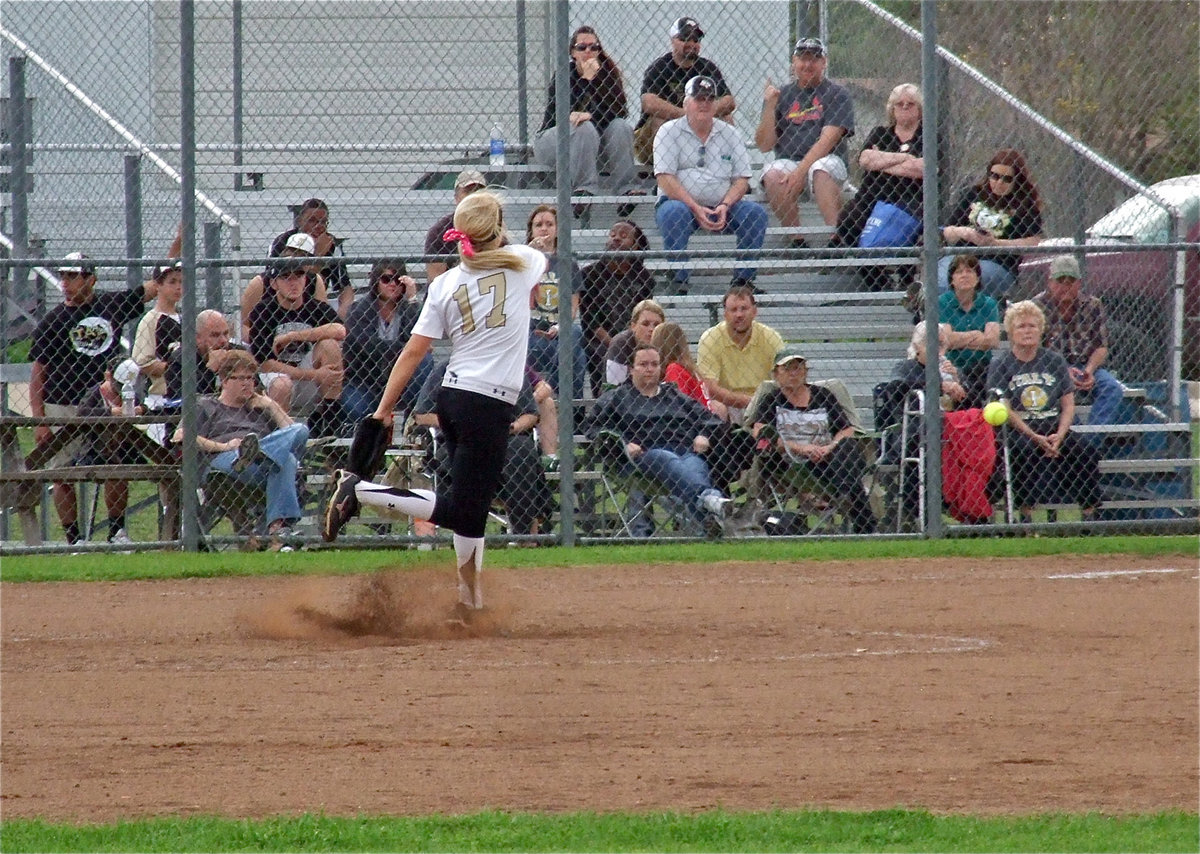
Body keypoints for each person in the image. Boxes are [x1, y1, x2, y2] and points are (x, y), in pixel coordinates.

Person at [322, 191, 548, 619]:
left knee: (471, 510)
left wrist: (383, 409)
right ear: (497, 230)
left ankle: (470, 602)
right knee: (464, 510)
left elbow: (411, 353)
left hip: (453, 398)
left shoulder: (445, 283)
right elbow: (519, 253)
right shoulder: (523, 262)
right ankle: (361, 490)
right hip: (489, 404)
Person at [28, 252, 159, 546]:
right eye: (63, 276)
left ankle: (115, 531)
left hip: (105, 405)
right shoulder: (53, 321)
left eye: (73, 276)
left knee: (115, 466)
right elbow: (38, 372)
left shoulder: (109, 305)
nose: (66, 283)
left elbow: (154, 286)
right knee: (62, 474)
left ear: (91, 279)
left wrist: (177, 247)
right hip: (62, 404)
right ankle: (75, 540)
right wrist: (40, 419)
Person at [586, 343, 730, 536]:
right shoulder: (617, 397)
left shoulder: (674, 396)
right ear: (631, 369)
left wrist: (703, 435)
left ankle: (708, 523)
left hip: (684, 452)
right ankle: (712, 503)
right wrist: (622, 444)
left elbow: (710, 420)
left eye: (654, 364)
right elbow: (593, 428)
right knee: (664, 457)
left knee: (696, 465)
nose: (649, 369)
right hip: (641, 459)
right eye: (643, 364)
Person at [177, 349, 310, 549]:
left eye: (250, 378)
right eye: (240, 378)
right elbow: (180, 435)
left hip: (259, 468)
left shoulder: (258, 409)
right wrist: (224, 446)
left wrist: (272, 405)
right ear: (224, 380)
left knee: (299, 431)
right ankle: (279, 532)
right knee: (287, 460)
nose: (247, 383)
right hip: (223, 463)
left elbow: (297, 436)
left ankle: (258, 453)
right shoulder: (206, 405)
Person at [985, 300, 1102, 523]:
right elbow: (1006, 409)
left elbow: (1068, 404)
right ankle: (1025, 515)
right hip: (1019, 430)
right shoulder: (1001, 365)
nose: (1027, 331)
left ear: (1041, 330)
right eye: (1021, 326)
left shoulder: (1054, 361)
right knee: (1022, 451)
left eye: (1032, 326)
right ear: (1010, 332)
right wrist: (1033, 436)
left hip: (1052, 427)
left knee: (1085, 450)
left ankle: (1090, 515)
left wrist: (1060, 434)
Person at [414, 362, 554, 541]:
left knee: (522, 451)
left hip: (505, 435)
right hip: (459, 434)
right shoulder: (447, 368)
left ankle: (524, 536)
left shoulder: (510, 367)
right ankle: (458, 534)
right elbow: (422, 414)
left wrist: (513, 426)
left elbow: (531, 414)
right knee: (455, 454)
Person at [654, 75, 768, 295]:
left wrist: (725, 205)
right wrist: (695, 207)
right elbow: (665, 179)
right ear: (686, 103)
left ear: (716, 104)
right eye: (698, 98)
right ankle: (679, 280)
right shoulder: (669, 131)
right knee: (673, 213)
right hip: (680, 204)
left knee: (756, 214)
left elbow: (742, 179)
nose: (704, 103)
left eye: (709, 98)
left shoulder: (730, 133)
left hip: (723, 206)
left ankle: (743, 283)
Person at [749, 346, 878, 534]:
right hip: (793, 465)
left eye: (799, 368)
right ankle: (864, 523)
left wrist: (829, 448)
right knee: (850, 477)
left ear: (806, 372)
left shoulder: (823, 395)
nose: (794, 373)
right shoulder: (771, 400)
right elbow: (761, 433)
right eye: (788, 368)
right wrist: (803, 449)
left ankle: (845, 495)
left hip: (829, 461)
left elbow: (847, 429)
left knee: (848, 446)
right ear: (776, 374)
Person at [755, 37, 855, 240]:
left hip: (828, 162)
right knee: (773, 173)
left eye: (814, 59)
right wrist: (770, 106)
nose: (807, 65)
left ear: (824, 62)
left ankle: (837, 240)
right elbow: (764, 145)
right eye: (802, 59)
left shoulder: (837, 93)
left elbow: (827, 141)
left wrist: (801, 171)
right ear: (794, 61)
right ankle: (796, 241)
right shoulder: (781, 94)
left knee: (820, 169)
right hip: (789, 161)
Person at [532, 26, 642, 209]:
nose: (588, 52)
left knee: (620, 126)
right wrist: (586, 80)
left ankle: (627, 190)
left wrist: (591, 114)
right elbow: (561, 114)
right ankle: (584, 191)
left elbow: (619, 111)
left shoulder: (609, 75)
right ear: (573, 52)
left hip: (591, 145)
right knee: (583, 126)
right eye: (582, 47)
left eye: (594, 47)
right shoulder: (563, 75)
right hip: (553, 142)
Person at [248, 256, 347, 437]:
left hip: (309, 379)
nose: (293, 283)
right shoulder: (263, 311)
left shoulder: (314, 307)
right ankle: (280, 438)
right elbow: (264, 363)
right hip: (278, 380)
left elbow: (340, 330)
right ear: (274, 284)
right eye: (286, 277)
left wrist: (294, 336)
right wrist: (314, 375)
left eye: (299, 276)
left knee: (330, 346)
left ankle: (330, 425)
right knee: (282, 385)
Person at [833, 82, 928, 249]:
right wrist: (905, 157)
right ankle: (868, 270)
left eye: (911, 103)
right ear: (892, 109)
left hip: (910, 201)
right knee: (849, 218)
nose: (905, 107)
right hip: (871, 198)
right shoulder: (880, 133)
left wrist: (881, 161)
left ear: (919, 109)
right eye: (899, 104)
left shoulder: (927, 136)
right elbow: (865, 160)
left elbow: (922, 169)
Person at [1032, 254, 1124, 428]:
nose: (1065, 286)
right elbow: (1035, 350)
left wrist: (1089, 370)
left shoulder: (1093, 305)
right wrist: (1063, 371)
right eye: (1060, 281)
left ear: (1079, 283)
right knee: (1054, 391)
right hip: (1050, 369)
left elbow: (1101, 346)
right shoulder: (1037, 306)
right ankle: (1073, 439)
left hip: (1085, 365)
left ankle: (1090, 441)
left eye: (1070, 281)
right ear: (1050, 282)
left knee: (1112, 389)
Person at [938, 148, 1044, 297]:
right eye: (995, 176)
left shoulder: (1025, 205)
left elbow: (1033, 242)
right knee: (943, 279)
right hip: (960, 257)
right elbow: (947, 231)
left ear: (1017, 180)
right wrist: (965, 233)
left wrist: (995, 244)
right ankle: (928, 305)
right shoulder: (974, 194)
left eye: (1007, 179)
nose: (999, 182)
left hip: (996, 262)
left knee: (969, 280)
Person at [634, 16, 735, 165]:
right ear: (672, 40)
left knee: (726, 119)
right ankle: (663, 172)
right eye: (685, 38)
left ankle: (725, 168)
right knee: (659, 120)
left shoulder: (707, 68)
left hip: (698, 129)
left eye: (696, 40)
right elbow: (648, 103)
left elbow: (729, 101)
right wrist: (686, 116)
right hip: (653, 140)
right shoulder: (659, 67)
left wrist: (703, 114)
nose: (691, 44)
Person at [342, 259, 433, 421]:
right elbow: (368, 347)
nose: (392, 284)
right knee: (357, 409)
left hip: (400, 379)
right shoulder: (359, 309)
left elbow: (418, 336)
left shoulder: (406, 309)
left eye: (398, 280)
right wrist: (406, 349)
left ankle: (412, 424)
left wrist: (412, 299)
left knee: (424, 360)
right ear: (376, 281)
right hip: (364, 381)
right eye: (386, 279)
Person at [578, 220, 656, 395]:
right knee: (600, 354)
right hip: (600, 339)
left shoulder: (644, 278)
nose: (616, 239)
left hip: (634, 337)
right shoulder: (590, 274)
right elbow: (590, 321)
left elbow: (642, 316)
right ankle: (604, 402)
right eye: (612, 235)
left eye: (623, 236)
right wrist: (616, 344)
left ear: (636, 245)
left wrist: (631, 341)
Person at [525, 205, 587, 400]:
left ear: (557, 229)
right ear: (531, 231)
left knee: (575, 335)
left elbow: (573, 308)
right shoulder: (522, 261)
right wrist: (530, 253)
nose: (544, 229)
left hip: (560, 336)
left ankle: (548, 395)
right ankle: (568, 415)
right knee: (576, 358)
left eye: (549, 224)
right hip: (530, 336)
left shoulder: (568, 263)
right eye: (539, 225)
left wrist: (560, 327)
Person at [697, 284, 784, 422]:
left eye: (744, 309)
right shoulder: (710, 338)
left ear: (755, 311)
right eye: (733, 310)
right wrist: (749, 402)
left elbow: (783, 380)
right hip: (727, 404)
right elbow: (710, 388)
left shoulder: (771, 337)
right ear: (725, 314)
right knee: (716, 407)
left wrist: (761, 403)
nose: (739, 314)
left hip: (764, 404)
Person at [269, 197, 354, 318]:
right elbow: (296, 282)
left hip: (318, 301)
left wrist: (344, 309)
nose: (318, 226)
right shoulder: (284, 242)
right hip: (285, 300)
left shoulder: (331, 244)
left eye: (323, 222)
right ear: (300, 221)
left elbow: (345, 287)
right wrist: (318, 255)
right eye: (312, 220)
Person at [239, 231, 329, 342]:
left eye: (303, 256)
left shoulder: (314, 281)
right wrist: (263, 344)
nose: (296, 258)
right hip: (266, 345)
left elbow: (327, 324)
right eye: (293, 252)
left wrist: (295, 338)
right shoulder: (261, 282)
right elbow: (242, 325)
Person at [937, 254, 1000, 409]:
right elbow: (946, 340)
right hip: (951, 365)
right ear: (952, 279)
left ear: (978, 278)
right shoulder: (942, 302)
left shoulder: (988, 303)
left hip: (982, 366)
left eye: (970, 271)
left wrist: (958, 338)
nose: (964, 275)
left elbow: (992, 340)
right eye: (959, 272)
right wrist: (977, 335)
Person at [132, 259, 183, 413]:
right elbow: (142, 363)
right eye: (172, 282)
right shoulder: (151, 320)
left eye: (181, 281)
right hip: (159, 396)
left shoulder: (183, 319)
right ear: (157, 285)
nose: (178, 287)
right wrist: (176, 368)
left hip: (183, 394)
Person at [651, 321, 727, 420]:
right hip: (704, 418)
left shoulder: (674, 368)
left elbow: (678, 404)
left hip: (696, 421)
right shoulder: (688, 367)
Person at [424, 169, 488, 283]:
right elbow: (436, 281)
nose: (474, 196)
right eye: (468, 191)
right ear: (456, 198)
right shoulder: (440, 231)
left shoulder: (494, 227)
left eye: (478, 191)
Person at [165, 309, 236, 400]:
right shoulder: (181, 359)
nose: (223, 340)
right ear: (197, 338)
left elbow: (256, 387)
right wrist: (210, 370)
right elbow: (180, 398)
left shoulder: (237, 352)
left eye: (226, 333)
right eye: (215, 335)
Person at [604, 298, 665, 387]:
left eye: (656, 325)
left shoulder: (666, 341)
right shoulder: (621, 343)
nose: (651, 329)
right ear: (633, 326)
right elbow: (612, 385)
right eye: (645, 324)